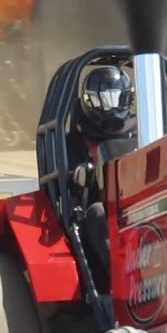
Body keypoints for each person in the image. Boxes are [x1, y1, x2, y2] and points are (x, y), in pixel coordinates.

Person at [69, 64, 137, 289]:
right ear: (90, 101)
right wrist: (79, 174)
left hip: (141, 200)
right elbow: (67, 180)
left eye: (117, 98)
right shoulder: (74, 142)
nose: (111, 106)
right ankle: (123, 284)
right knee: (98, 214)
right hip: (100, 206)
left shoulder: (145, 129)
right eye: (104, 100)